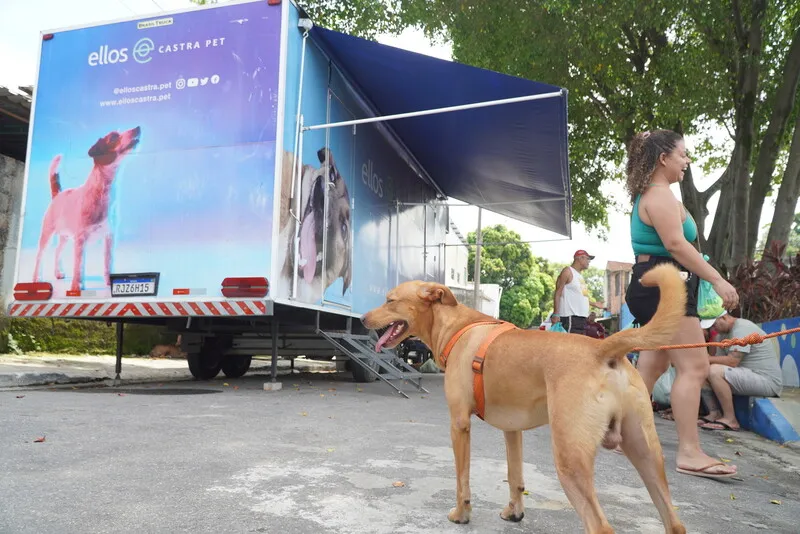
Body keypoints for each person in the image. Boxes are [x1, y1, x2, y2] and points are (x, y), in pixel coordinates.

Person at [623, 129, 740, 479]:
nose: (686, 161)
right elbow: (675, 244)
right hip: (665, 287)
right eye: (682, 155)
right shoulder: (658, 196)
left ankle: (619, 432)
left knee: (652, 367)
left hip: (659, 286)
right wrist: (718, 278)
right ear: (663, 159)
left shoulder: (660, 196)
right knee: (695, 368)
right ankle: (689, 451)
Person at [698, 311, 783, 431]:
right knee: (703, 371)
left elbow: (732, 361)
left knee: (714, 371)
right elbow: (717, 361)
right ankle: (714, 413)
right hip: (747, 376)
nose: (713, 328)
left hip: (767, 381)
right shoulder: (721, 335)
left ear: (724, 317)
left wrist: (704, 358)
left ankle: (730, 419)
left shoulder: (742, 328)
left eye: (714, 324)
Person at [553, 250, 605, 334]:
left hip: (582, 318)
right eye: (587, 259)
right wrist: (556, 314)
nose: (589, 262)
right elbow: (557, 293)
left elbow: (582, 297)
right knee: (569, 345)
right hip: (570, 317)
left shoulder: (580, 277)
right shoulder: (568, 271)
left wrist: (594, 304)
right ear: (580, 258)